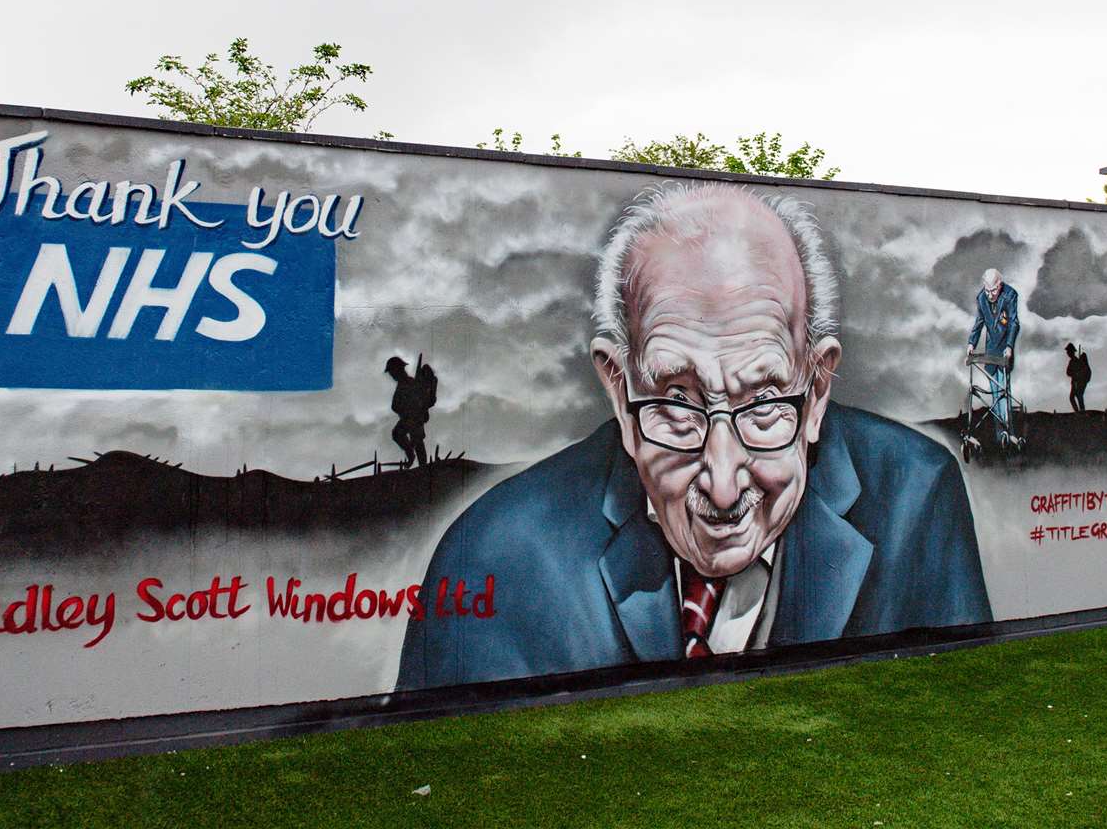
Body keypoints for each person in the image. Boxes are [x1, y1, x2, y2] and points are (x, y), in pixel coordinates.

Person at [396, 183, 990, 691]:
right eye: (677, 403)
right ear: (619, 391)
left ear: (816, 391)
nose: (725, 485)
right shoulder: (495, 558)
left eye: (763, 402)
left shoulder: (917, 498)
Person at [966, 268, 1021, 445]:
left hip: (1005, 348)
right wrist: (971, 343)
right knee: (995, 392)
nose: (990, 295)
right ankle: (1000, 436)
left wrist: (1010, 346)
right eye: (987, 290)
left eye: (994, 290)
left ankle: (1008, 431)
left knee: (1004, 390)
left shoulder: (1010, 295)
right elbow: (979, 323)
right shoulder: (981, 298)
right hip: (991, 349)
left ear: (1000, 285)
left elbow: (1013, 323)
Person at [385, 355, 436, 468]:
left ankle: (421, 465)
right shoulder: (403, 385)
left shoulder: (410, 383)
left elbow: (423, 399)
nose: (392, 375)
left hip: (414, 417)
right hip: (408, 417)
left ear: (398, 370)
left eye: (392, 372)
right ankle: (413, 457)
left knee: (415, 439)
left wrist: (421, 411)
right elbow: (395, 406)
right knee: (404, 436)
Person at [1064, 342, 1090, 413]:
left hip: (1079, 382)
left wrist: (1077, 374)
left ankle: (1082, 411)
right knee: (1073, 397)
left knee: (1078, 395)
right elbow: (1068, 372)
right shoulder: (1072, 361)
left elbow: (1083, 370)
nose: (1067, 353)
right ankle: (1078, 411)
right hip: (1075, 382)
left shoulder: (1077, 361)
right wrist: (1074, 374)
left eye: (1068, 351)